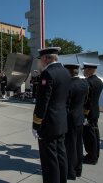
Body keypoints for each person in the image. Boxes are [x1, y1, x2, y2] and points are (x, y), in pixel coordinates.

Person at [32, 47, 71, 183]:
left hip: (48, 124)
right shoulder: (66, 72)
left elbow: (43, 103)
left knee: (49, 160)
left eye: (41, 58)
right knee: (61, 155)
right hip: (61, 121)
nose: (41, 62)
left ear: (46, 58)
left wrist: (36, 124)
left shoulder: (47, 73)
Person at [64, 64, 89, 180]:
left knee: (70, 147)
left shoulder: (68, 85)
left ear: (68, 71)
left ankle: (71, 172)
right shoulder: (84, 83)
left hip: (70, 119)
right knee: (79, 145)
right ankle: (78, 169)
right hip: (80, 117)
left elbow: (65, 104)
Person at [82, 62, 103, 165]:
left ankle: (91, 157)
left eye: (85, 69)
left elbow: (87, 101)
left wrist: (85, 115)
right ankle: (95, 155)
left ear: (89, 70)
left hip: (89, 113)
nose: (84, 71)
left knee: (89, 136)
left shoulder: (88, 82)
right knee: (95, 135)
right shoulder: (99, 81)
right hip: (95, 111)